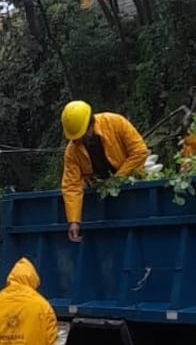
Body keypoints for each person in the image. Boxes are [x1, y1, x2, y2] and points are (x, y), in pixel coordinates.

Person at [60, 100, 148, 243]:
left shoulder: (115, 123)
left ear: (91, 125)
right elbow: (71, 186)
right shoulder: (72, 151)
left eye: (80, 136)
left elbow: (140, 152)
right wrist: (74, 221)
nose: (77, 141)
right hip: (100, 195)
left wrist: (117, 179)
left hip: (132, 187)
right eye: (74, 138)